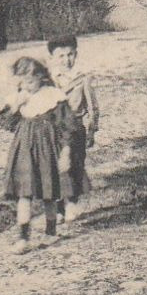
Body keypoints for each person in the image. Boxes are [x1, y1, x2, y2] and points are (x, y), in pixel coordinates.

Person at [0, 57, 81, 254]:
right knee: (23, 193)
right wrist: (16, 107)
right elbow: (7, 124)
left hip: (47, 149)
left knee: (48, 193)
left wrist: (66, 152)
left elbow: (68, 126)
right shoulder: (19, 96)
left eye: (31, 81)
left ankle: (51, 232)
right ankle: (23, 238)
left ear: (41, 78)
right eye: (23, 82)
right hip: (24, 149)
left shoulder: (53, 96)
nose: (27, 86)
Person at [47, 34, 100, 224]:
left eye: (70, 55)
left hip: (76, 128)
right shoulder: (50, 80)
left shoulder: (82, 78)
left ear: (76, 55)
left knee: (76, 165)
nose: (66, 60)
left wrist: (92, 129)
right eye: (61, 56)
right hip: (55, 130)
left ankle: (71, 201)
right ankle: (60, 205)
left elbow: (92, 106)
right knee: (57, 167)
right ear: (52, 58)